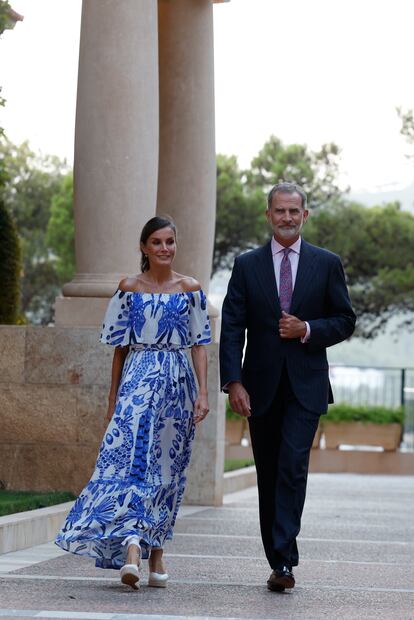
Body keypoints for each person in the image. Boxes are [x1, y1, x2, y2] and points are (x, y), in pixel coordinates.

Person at [56, 216, 211, 590]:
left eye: (170, 242)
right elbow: (119, 350)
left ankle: (156, 550)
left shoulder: (190, 288)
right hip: (138, 382)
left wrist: (203, 393)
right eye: (156, 242)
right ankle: (131, 547)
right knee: (128, 461)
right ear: (144, 247)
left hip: (178, 383)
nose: (164, 249)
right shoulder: (128, 289)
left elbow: (200, 343)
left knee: (169, 469)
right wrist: (113, 401)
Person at [219, 182, 356, 592]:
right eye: (280, 211)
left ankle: (284, 561)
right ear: (268, 215)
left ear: (305, 215)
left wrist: (307, 329)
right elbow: (231, 326)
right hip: (259, 387)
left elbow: (345, 320)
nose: (287, 218)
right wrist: (234, 382)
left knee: (293, 468)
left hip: (305, 387)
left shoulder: (326, 264)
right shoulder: (246, 265)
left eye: (294, 211)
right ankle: (277, 555)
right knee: (269, 473)